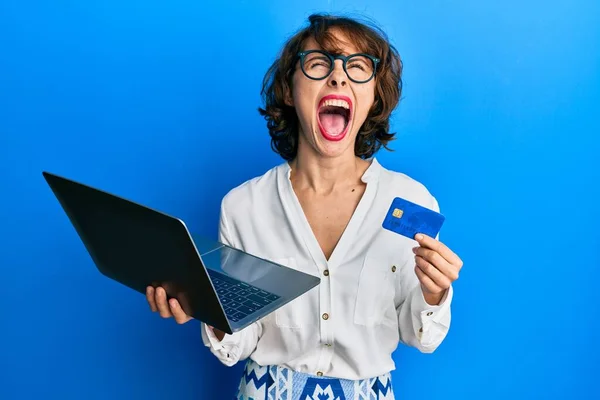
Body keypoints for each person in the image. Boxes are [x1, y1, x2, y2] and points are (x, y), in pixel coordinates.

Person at [146, 13, 463, 400]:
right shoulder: (244, 205)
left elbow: (422, 336)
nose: (339, 76)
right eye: (318, 64)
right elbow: (239, 343)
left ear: (374, 96)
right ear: (289, 91)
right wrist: (209, 312)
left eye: (358, 66)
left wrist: (434, 294)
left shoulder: (412, 201)